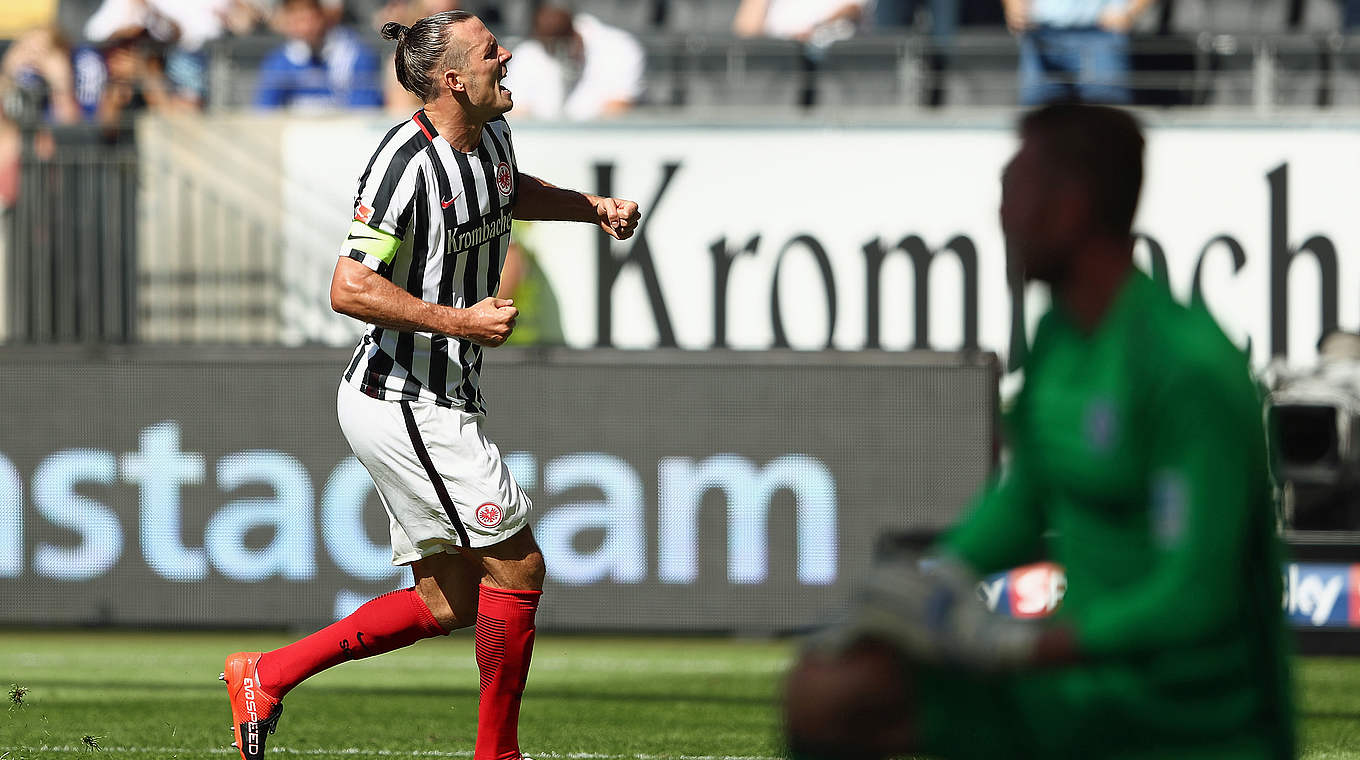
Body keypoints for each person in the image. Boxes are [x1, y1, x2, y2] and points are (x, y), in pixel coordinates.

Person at [783, 103, 1294, 759]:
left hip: (1189, 722)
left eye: (1012, 191)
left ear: (1070, 207)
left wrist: (1030, 644)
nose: (1002, 217)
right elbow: (1028, 495)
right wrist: (943, 576)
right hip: (1077, 689)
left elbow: (1196, 595)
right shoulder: (1059, 338)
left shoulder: (1187, 369)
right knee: (827, 690)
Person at [221, 10, 640, 760]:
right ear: (452, 78)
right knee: (519, 563)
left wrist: (589, 208)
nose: (505, 55)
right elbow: (349, 287)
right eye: (489, 51)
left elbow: (508, 191)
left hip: (439, 392)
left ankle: (267, 673)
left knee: (448, 601)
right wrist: (458, 321)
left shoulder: (494, 134)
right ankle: (497, 755)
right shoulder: (402, 165)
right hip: (403, 395)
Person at [502, 5, 644, 122]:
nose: (559, 52)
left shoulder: (619, 47)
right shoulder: (528, 53)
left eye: (563, 46)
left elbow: (618, 108)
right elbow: (516, 112)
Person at [1003, 0, 1157, 105]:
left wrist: (1129, 13)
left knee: (1105, 110)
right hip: (1041, 32)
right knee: (1039, 113)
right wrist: (1013, 7)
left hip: (1099, 35)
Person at [253, 0, 383, 109]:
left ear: (323, 15)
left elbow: (364, 108)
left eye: (308, 17)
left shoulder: (354, 55)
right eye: (296, 18)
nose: (304, 27)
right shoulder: (279, 61)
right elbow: (265, 109)